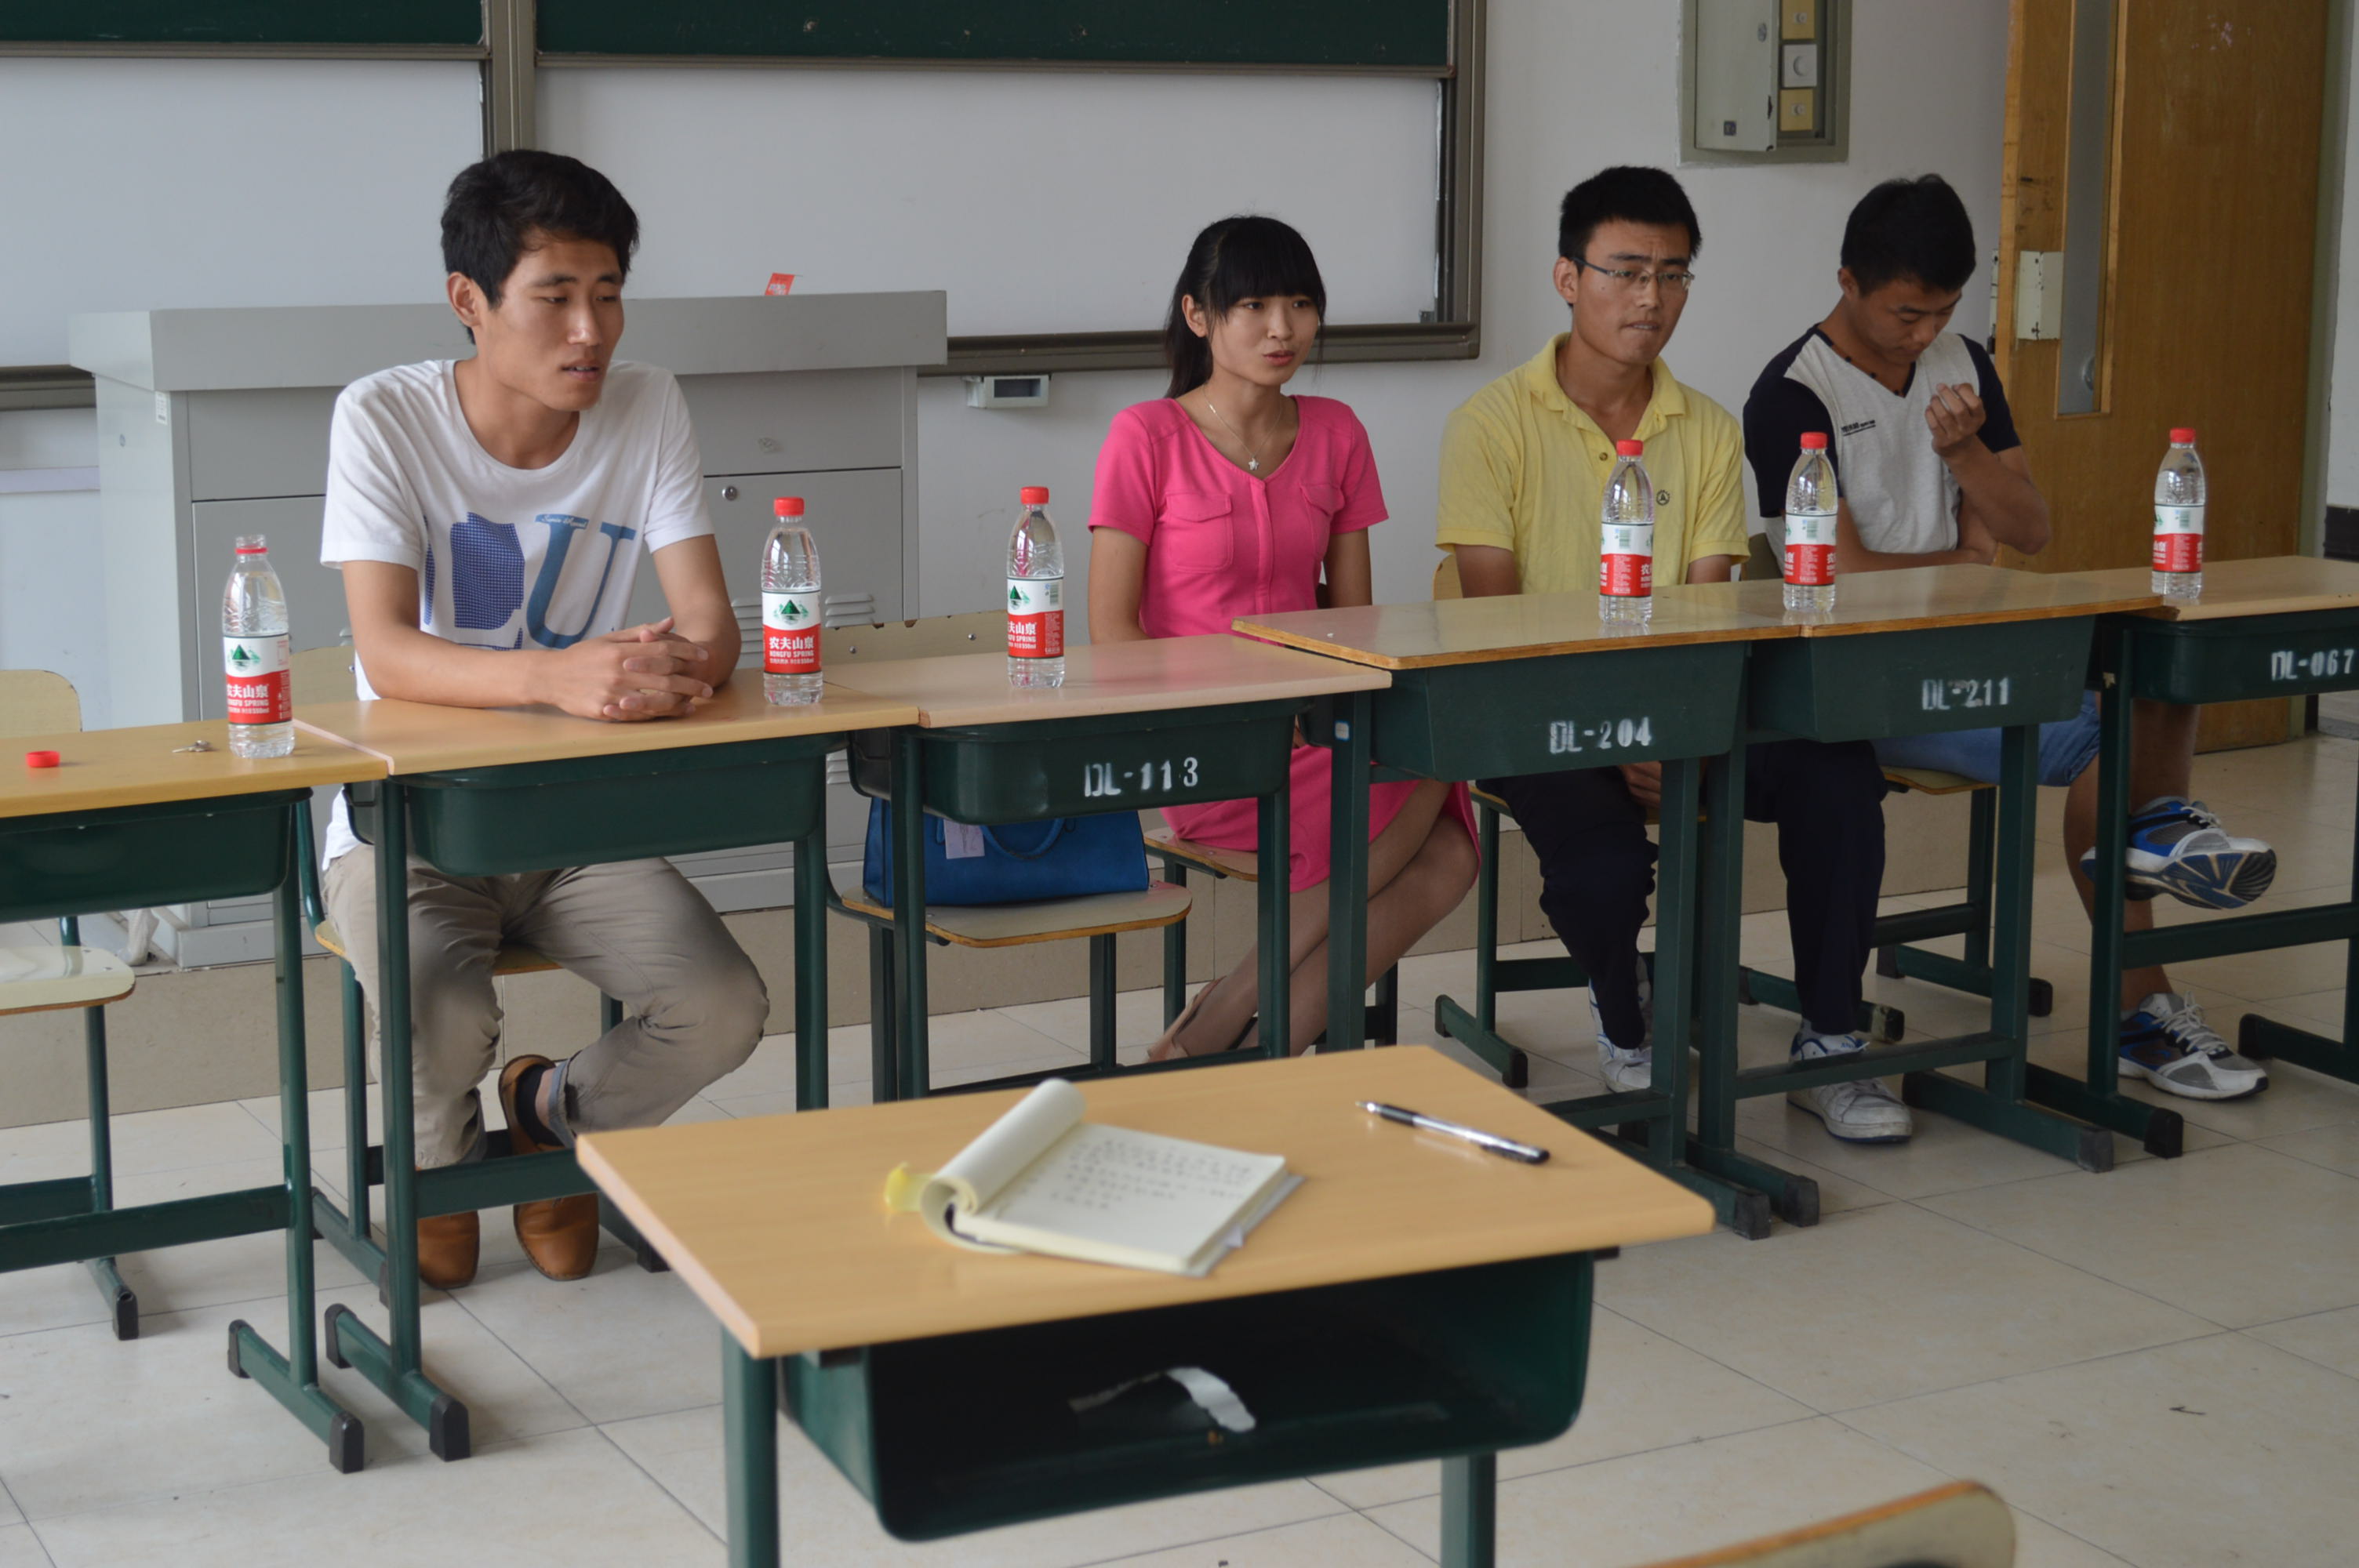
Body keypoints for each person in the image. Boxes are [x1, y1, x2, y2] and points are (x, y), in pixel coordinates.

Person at [320, 151, 769, 1288]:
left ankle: (555, 1118)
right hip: (406, 822)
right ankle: (438, 1163)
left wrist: (666, 667)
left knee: (721, 1006)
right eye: (555, 296)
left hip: (568, 817)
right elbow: (386, 650)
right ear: (469, 301)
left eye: (608, 293)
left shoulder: (648, 402)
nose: (589, 331)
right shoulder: (384, 415)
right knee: (440, 1013)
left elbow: (709, 625)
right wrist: (555, 677)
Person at [1743, 172, 2276, 1102]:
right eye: (1905, 313)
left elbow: (2026, 529)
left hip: (1973, 654)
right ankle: (2144, 970)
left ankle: (2151, 861)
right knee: (2113, 750)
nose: (1924, 334)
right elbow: (1839, 577)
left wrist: (1963, 453)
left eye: (1942, 311)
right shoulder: (1790, 393)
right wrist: (1958, 558)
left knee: (2152, 684)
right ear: (1847, 281)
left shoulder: (1963, 364)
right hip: (1860, 680)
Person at [1438, 167, 1905, 1142]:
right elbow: (1496, 626)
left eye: (1672, 273)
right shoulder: (1489, 423)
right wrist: (1619, 737)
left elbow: (1705, 611)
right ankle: (1624, 1014)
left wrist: (1670, 730)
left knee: (1836, 774)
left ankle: (1830, 1038)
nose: (1649, 297)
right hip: (1540, 711)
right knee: (1601, 867)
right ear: (1567, 278)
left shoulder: (1707, 429)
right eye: (1624, 271)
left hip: (1682, 710)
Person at [1088, 215, 1478, 1058]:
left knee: (1449, 836)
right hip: (1207, 739)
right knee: (1435, 802)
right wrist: (1233, 708)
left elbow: (1356, 620)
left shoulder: (1336, 431)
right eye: (1254, 306)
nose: (1282, 328)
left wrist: (1322, 706)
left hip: (1318, 723)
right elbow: (1111, 632)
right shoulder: (1144, 436)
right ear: (1198, 316)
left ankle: (1229, 1035)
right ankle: (1232, 1026)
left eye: (1300, 304)